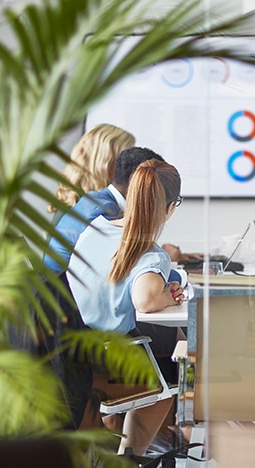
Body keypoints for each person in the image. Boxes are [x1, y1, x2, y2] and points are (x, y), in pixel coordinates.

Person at [67, 159, 185, 455]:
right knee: (173, 367)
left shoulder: (96, 227)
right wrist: (170, 296)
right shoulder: (151, 254)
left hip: (71, 348)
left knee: (164, 347)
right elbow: (145, 299)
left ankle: (123, 452)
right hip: (105, 359)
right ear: (170, 207)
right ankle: (130, 457)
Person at [45, 146, 164, 274]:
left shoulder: (95, 198)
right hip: (60, 289)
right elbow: (124, 268)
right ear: (138, 182)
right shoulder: (106, 213)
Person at [47, 123, 135, 216]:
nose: (132, 169)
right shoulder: (93, 213)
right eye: (125, 160)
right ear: (104, 163)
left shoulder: (76, 205)